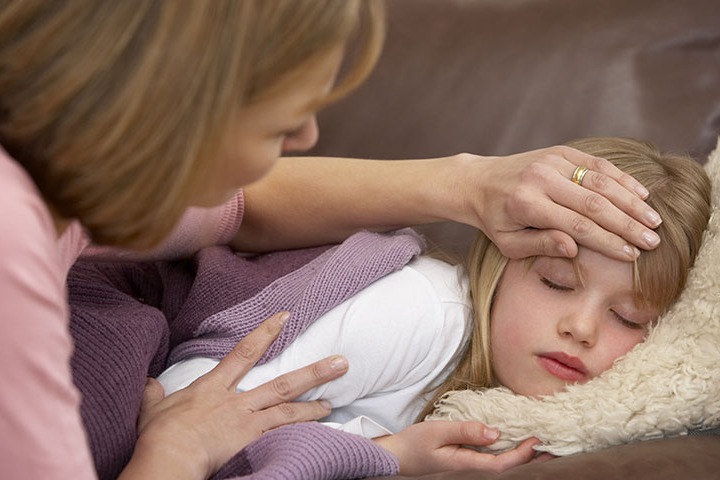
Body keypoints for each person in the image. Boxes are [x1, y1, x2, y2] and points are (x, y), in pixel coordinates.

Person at [0, 0, 664, 478]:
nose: (309, 140)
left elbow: (242, 209)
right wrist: (172, 452)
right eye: (279, 126)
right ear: (178, 102)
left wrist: (470, 186)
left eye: (632, 318)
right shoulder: (13, 240)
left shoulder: (80, 192)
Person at [157, 136, 711, 476]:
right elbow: (187, 407)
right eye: (557, 283)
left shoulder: (523, 409)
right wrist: (383, 454)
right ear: (501, 259)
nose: (581, 328)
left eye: (628, 318)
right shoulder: (424, 311)